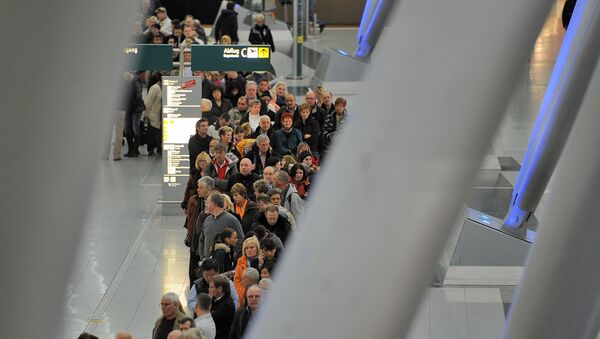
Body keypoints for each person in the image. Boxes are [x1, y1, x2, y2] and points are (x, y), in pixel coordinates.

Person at [200, 192, 245, 259]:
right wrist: (202, 256)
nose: (205, 205)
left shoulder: (232, 220)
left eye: (207, 203)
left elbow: (240, 240)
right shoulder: (207, 220)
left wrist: (233, 257)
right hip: (208, 263)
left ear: (213, 204)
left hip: (225, 264)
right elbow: (202, 239)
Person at [233, 237, 261, 303]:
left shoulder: (261, 260)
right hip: (243, 294)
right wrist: (243, 295)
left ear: (257, 248)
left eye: (252, 247)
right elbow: (237, 280)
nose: (249, 250)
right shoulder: (240, 261)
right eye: (246, 248)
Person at [125, 71, 145, 157]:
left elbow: (137, 95)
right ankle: (133, 150)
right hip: (134, 107)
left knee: (131, 128)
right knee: (133, 128)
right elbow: (138, 95)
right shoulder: (136, 80)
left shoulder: (135, 80)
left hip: (133, 108)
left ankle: (133, 150)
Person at [209, 275, 236, 339]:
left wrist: (208, 305)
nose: (209, 289)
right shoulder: (214, 298)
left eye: (211, 287)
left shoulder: (227, 304)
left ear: (220, 289)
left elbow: (211, 318)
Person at [143, 72, 162, 155]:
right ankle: (150, 149)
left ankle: (158, 148)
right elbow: (148, 102)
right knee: (152, 134)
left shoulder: (163, 88)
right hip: (153, 116)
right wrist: (146, 116)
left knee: (158, 134)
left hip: (159, 117)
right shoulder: (155, 88)